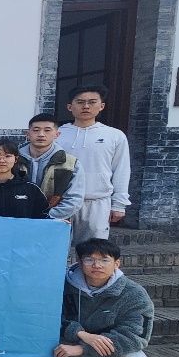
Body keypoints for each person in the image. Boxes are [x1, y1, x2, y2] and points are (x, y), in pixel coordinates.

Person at [54, 238, 154, 357]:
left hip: (105, 352)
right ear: (79, 262)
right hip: (67, 345)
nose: (97, 265)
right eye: (89, 259)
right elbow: (49, 317)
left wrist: (84, 348)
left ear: (116, 264)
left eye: (104, 260)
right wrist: (81, 334)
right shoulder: (62, 285)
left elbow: (135, 336)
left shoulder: (134, 294)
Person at [58, 86, 131, 243]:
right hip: (62, 201)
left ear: (101, 106)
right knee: (58, 248)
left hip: (97, 201)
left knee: (93, 250)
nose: (86, 106)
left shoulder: (114, 136)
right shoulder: (57, 134)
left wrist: (119, 204)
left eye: (92, 102)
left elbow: (121, 170)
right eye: (80, 102)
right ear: (70, 106)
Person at [20, 113, 85, 222]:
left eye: (47, 130)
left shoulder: (70, 163)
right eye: (36, 130)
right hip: (16, 219)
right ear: (27, 134)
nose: (41, 134)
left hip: (52, 222)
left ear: (57, 134)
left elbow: (74, 199)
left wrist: (48, 216)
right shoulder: (12, 159)